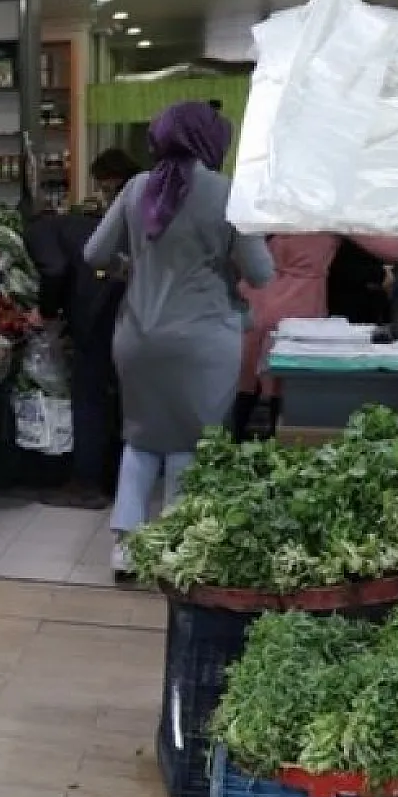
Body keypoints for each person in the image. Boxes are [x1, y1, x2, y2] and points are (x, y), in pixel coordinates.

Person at [84, 102, 273, 580]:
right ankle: (175, 547)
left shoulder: (134, 188)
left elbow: (95, 254)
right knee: (191, 440)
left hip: (137, 338)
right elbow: (262, 272)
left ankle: (125, 549)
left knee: (142, 437)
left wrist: (137, 268)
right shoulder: (229, 195)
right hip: (204, 340)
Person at [234, 229, 398, 439]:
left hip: (251, 300)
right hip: (298, 308)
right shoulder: (329, 212)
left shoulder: (267, 207)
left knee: (242, 390)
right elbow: (394, 249)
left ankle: (226, 451)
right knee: (286, 395)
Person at [24, 149, 140, 508]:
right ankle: (117, 475)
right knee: (118, 395)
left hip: (95, 312)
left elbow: (55, 270)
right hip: (124, 308)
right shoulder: (79, 223)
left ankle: (86, 483)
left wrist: (45, 312)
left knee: (89, 396)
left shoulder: (38, 232)